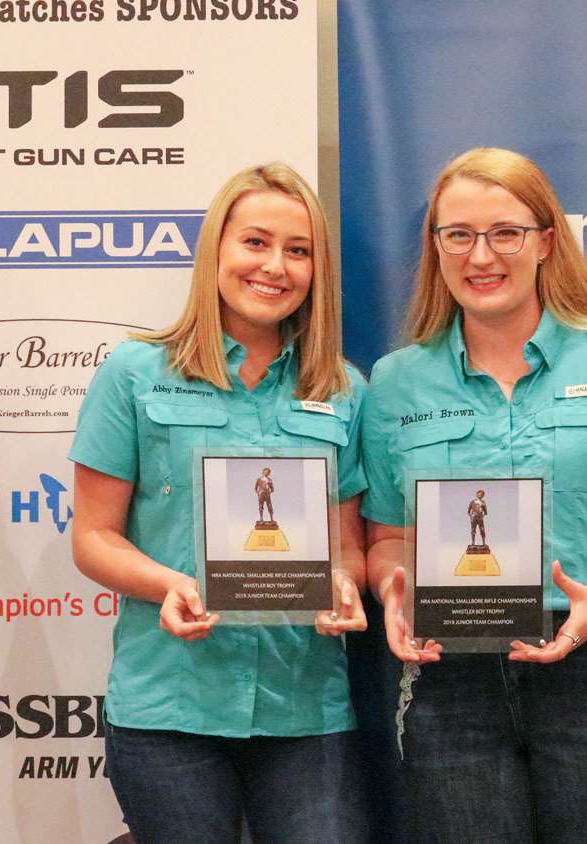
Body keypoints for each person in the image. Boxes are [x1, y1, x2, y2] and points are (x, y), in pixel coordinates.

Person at [360, 147, 587, 842]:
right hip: (449, 678)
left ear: (545, 242)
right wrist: (394, 589)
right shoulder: (396, 382)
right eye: (458, 235)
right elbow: (386, 535)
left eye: (505, 232)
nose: (481, 255)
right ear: (436, 248)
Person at [69, 163, 370, 843]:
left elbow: (347, 544)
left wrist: (345, 582)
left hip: (305, 709)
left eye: (299, 251)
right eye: (256, 242)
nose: (276, 267)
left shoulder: (344, 387)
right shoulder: (135, 373)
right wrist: (170, 583)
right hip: (169, 708)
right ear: (217, 251)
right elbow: (93, 536)